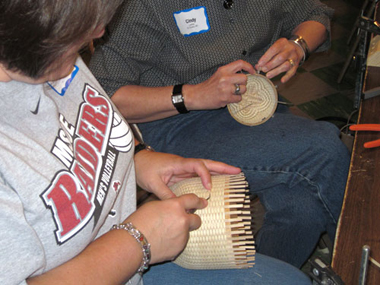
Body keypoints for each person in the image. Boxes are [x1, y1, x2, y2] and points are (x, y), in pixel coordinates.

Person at [0, 0, 312, 284]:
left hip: (129, 255)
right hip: (124, 255)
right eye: (87, 22)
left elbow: (84, 127)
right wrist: (137, 241)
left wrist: (138, 159)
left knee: (291, 279)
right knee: (317, 153)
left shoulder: (51, 61)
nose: (100, 32)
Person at [89, 0, 351, 268]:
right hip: (176, 120)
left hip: (251, 105)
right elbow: (102, 95)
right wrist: (193, 95)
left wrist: (298, 45)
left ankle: (265, 275)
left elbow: (316, 14)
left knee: (302, 207)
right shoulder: (146, 6)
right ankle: (354, 265)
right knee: (325, 150)